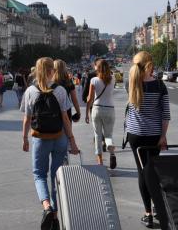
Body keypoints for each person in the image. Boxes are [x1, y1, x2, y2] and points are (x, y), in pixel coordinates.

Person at [21, 57, 80, 230]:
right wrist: (72, 141)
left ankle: (46, 207)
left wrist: (24, 139)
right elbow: (65, 119)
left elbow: (26, 119)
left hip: (40, 138)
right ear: (51, 70)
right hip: (59, 137)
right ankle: (54, 217)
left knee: (39, 174)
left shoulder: (30, 91)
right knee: (56, 176)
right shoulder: (60, 90)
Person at [124, 51, 170, 228]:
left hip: (135, 135)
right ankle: (158, 207)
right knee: (153, 170)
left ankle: (148, 213)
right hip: (154, 135)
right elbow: (165, 114)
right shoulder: (160, 85)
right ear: (150, 65)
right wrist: (163, 136)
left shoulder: (131, 82)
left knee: (142, 172)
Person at [85, 58, 116, 168]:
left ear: (97, 68)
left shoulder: (94, 80)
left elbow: (89, 98)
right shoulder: (113, 78)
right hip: (110, 109)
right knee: (108, 135)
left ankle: (100, 161)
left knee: (98, 135)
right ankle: (112, 153)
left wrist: (86, 113)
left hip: (97, 108)